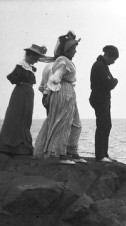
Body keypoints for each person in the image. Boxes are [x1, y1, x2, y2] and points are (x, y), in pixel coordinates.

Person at [33, 31, 86, 164]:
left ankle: (71, 150)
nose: (75, 51)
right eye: (73, 49)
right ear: (67, 50)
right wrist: (49, 94)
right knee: (62, 124)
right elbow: (55, 78)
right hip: (63, 93)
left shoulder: (65, 60)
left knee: (75, 123)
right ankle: (62, 155)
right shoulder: (63, 61)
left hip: (68, 92)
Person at [0, 44, 47, 155]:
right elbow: (12, 77)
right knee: (17, 116)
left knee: (26, 117)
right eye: (36, 58)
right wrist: (20, 81)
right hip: (21, 93)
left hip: (28, 93)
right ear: (30, 56)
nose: (37, 60)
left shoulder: (29, 67)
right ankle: (14, 144)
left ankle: (22, 142)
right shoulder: (22, 65)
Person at [89, 45, 119, 162]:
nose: (114, 62)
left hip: (103, 99)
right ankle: (100, 156)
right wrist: (115, 80)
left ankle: (104, 154)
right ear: (106, 55)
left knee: (107, 125)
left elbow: (109, 82)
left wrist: (112, 81)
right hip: (99, 99)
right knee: (102, 125)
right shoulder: (99, 66)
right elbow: (110, 83)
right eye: (113, 59)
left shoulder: (103, 65)